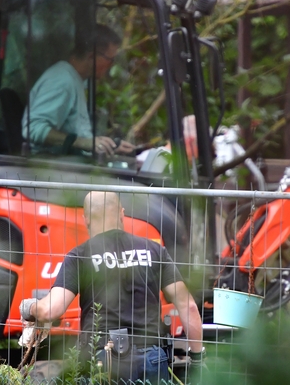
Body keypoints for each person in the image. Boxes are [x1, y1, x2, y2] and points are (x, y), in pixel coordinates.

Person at [19, 191, 205, 383]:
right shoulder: (155, 251)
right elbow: (188, 306)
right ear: (121, 213)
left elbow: (50, 310)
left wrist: (29, 308)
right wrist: (198, 358)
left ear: (86, 219)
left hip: (103, 359)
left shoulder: (80, 256)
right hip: (152, 357)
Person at [22, 24, 136, 157]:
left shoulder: (77, 80)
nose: (111, 66)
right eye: (110, 60)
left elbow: (82, 137)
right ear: (91, 57)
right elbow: (33, 128)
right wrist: (83, 143)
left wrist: (108, 146)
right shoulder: (62, 80)